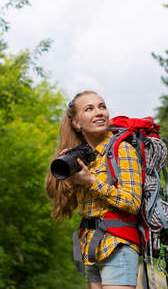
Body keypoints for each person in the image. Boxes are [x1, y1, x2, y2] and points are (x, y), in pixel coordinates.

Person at [46, 91, 143, 289]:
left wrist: (91, 181)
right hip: (90, 244)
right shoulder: (81, 158)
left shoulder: (121, 150)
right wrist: (70, 179)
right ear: (76, 123)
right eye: (89, 109)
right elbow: (70, 206)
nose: (99, 112)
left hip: (118, 243)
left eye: (102, 107)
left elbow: (133, 202)